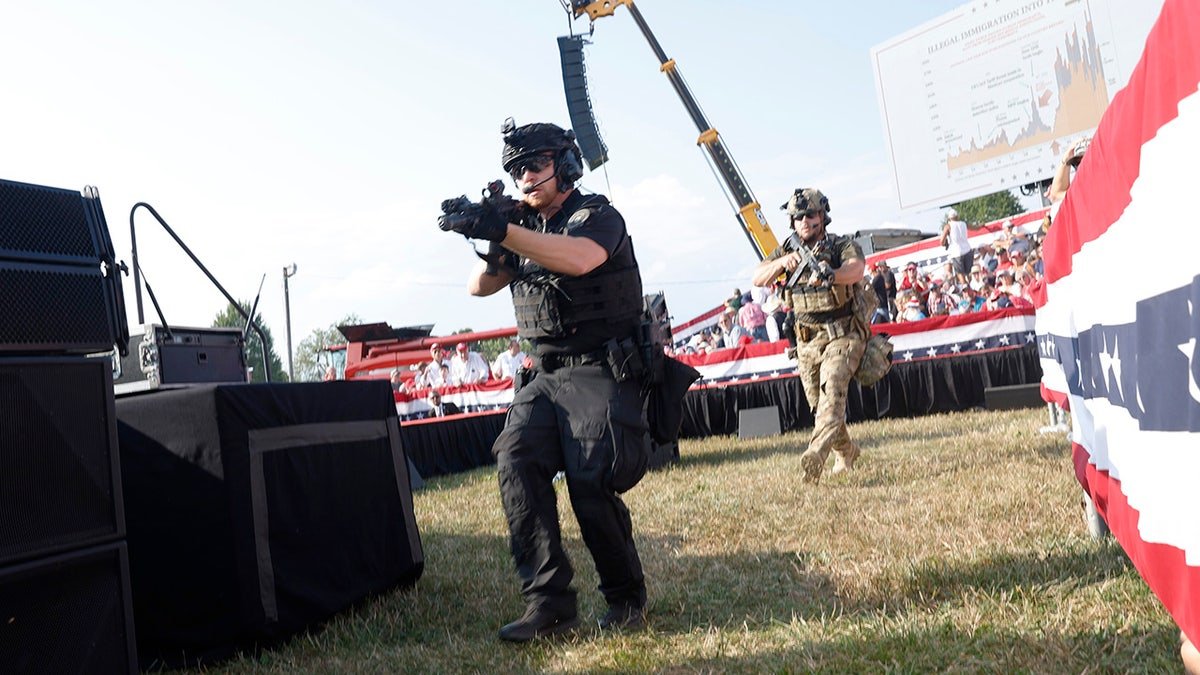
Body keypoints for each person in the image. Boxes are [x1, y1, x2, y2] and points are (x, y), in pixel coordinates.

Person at [441, 119, 651, 641]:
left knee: (589, 480)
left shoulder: (598, 216)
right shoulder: (522, 228)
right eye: (516, 170)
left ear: (566, 163)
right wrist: (489, 233)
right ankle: (549, 604)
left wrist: (505, 231)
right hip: (547, 374)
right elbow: (478, 287)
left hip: (603, 368)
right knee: (514, 459)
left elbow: (580, 259)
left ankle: (626, 597)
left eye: (534, 165)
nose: (525, 177)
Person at [751, 187, 866, 484]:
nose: (804, 220)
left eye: (810, 214)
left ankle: (815, 455)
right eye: (798, 216)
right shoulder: (786, 251)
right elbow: (757, 277)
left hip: (841, 335)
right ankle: (847, 451)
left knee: (832, 396)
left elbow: (856, 269)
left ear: (822, 217)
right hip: (806, 342)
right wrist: (779, 264)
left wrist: (833, 274)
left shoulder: (841, 245)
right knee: (820, 405)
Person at [941, 207, 974, 276]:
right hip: (967, 250)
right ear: (957, 216)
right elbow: (975, 228)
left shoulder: (948, 226)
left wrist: (946, 243)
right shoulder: (964, 223)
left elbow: (941, 242)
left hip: (956, 253)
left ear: (949, 218)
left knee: (960, 274)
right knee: (969, 273)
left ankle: (965, 285)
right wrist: (982, 225)